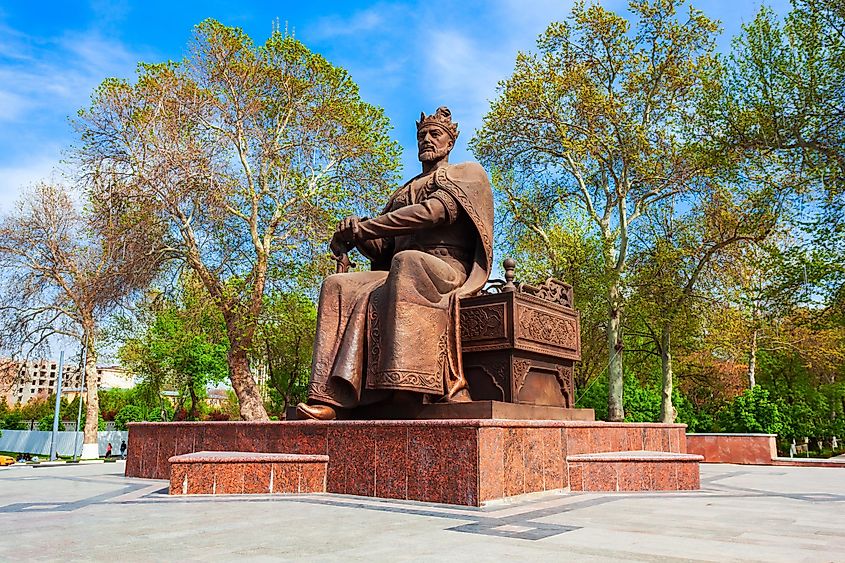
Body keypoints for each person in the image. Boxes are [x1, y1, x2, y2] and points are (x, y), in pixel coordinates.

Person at [297, 107, 493, 421]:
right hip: (400, 270)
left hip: (447, 269)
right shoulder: (403, 190)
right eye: (421, 136)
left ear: (450, 141)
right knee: (337, 285)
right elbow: (382, 248)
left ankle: (407, 387)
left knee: (408, 262)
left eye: (434, 134)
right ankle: (330, 397)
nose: (427, 140)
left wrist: (369, 226)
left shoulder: (465, 173)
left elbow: (434, 213)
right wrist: (355, 233)